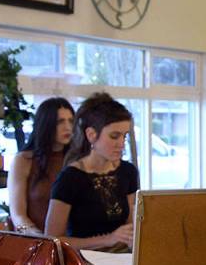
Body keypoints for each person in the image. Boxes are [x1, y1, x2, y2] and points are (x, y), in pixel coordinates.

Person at [45, 93, 138, 251]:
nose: (121, 144)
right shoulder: (70, 178)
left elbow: (130, 227)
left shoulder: (127, 172)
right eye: (114, 136)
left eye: (125, 136)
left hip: (121, 263)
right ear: (91, 135)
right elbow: (52, 240)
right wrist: (108, 239)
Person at [8, 98, 75, 234]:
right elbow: (18, 215)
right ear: (46, 124)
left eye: (71, 121)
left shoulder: (77, 160)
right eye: (60, 122)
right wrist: (40, 239)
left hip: (76, 242)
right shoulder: (24, 160)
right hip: (36, 240)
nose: (67, 127)